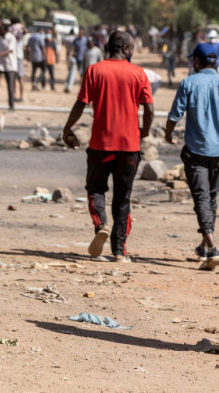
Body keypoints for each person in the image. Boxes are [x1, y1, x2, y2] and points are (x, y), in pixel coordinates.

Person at [62, 31, 155, 263]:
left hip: (100, 145)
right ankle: (120, 252)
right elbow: (150, 110)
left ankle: (101, 224)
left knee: (95, 188)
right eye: (131, 47)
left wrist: (67, 128)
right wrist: (144, 131)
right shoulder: (138, 73)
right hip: (130, 147)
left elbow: (81, 103)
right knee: (123, 198)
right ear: (125, 48)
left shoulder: (95, 70)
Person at [165, 43, 219, 271]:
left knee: (200, 198)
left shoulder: (188, 83)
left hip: (195, 151)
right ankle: (204, 245)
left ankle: (212, 247)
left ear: (196, 62)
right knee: (210, 198)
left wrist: (168, 135)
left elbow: (174, 115)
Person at [0, 19, 17, 112]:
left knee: (10, 87)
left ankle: (11, 106)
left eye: (1, 29)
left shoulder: (11, 38)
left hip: (10, 65)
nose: (0, 30)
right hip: (0, 64)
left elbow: (10, 50)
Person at [65, 27, 88, 93]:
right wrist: (69, 57)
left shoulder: (85, 40)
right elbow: (72, 49)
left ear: (83, 33)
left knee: (82, 74)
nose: (80, 33)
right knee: (72, 72)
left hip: (83, 60)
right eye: (79, 32)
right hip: (75, 58)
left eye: (81, 32)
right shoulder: (76, 40)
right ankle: (69, 87)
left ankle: (83, 90)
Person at [9, 18, 26, 103]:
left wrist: (22, 26)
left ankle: (21, 96)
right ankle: (14, 96)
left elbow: (25, 32)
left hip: (19, 56)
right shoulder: (11, 30)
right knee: (14, 78)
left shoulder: (20, 30)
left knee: (20, 78)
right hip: (13, 57)